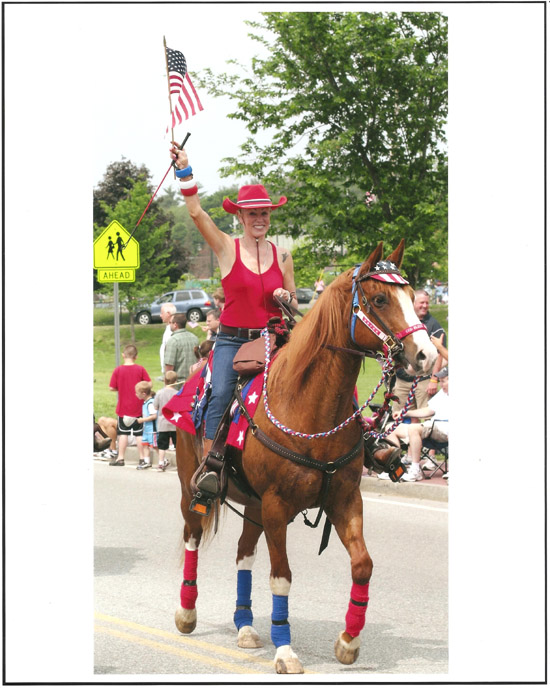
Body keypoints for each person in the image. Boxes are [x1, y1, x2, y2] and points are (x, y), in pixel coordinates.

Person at [170, 142, 297, 500]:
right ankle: (211, 468)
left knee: (318, 374)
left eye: (265, 214)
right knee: (222, 393)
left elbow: (293, 296)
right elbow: (196, 212)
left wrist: (287, 299)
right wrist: (184, 169)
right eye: (252, 214)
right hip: (233, 341)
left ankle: (361, 441)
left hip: (275, 340)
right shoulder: (227, 247)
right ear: (240, 217)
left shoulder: (283, 254)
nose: (259, 219)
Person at [382, 367, 449, 482]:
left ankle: (415, 470)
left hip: (445, 430)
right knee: (390, 428)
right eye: (440, 381)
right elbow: (428, 411)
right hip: (432, 428)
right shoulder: (442, 394)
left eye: (444, 381)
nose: (441, 384)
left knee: (414, 428)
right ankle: (395, 468)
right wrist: (405, 412)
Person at [392, 289, 447, 417]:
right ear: (413, 303)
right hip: (402, 380)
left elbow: (441, 355)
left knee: (426, 416)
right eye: (422, 302)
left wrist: (434, 379)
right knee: (397, 415)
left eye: (427, 303)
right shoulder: (403, 323)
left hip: (424, 381)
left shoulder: (434, 326)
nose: (425, 306)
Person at [109, 345, 151, 466]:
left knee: (123, 433)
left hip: (123, 408)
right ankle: (142, 458)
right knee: (139, 434)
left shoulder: (118, 370)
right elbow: (149, 383)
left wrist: (120, 387)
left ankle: (120, 458)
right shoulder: (140, 369)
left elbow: (112, 387)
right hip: (138, 408)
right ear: (136, 357)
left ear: (123, 355)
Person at [164, 312, 200, 389]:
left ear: (175, 324)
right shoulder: (195, 338)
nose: (169, 325)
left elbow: (169, 366)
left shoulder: (173, 340)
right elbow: (198, 360)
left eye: (170, 322)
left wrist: (168, 385)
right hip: (193, 381)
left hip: (178, 384)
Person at [153, 370, 179, 471]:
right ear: (176, 381)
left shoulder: (159, 393)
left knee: (162, 446)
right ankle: (179, 464)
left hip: (163, 423)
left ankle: (161, 463)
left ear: (164, 380)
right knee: (178, 446)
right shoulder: (177, 394)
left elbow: (155, 407)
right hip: (174, 423)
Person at [135, 381, 157, 470]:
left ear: (143, 394)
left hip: (152, 429)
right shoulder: (145, 403)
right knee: (145, 445)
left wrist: (142, 420)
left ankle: (163, 460)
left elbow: (154, 416)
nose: (136, 394)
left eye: (137, 393)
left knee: (155, 446)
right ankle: (146, 461)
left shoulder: (150, 403)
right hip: (146, 429)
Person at [159, 302, 177, 380]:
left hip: (171, 372)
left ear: (168, 313)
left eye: (162, 313)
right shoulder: (168, 328)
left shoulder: (172, 330)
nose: (160, 315)